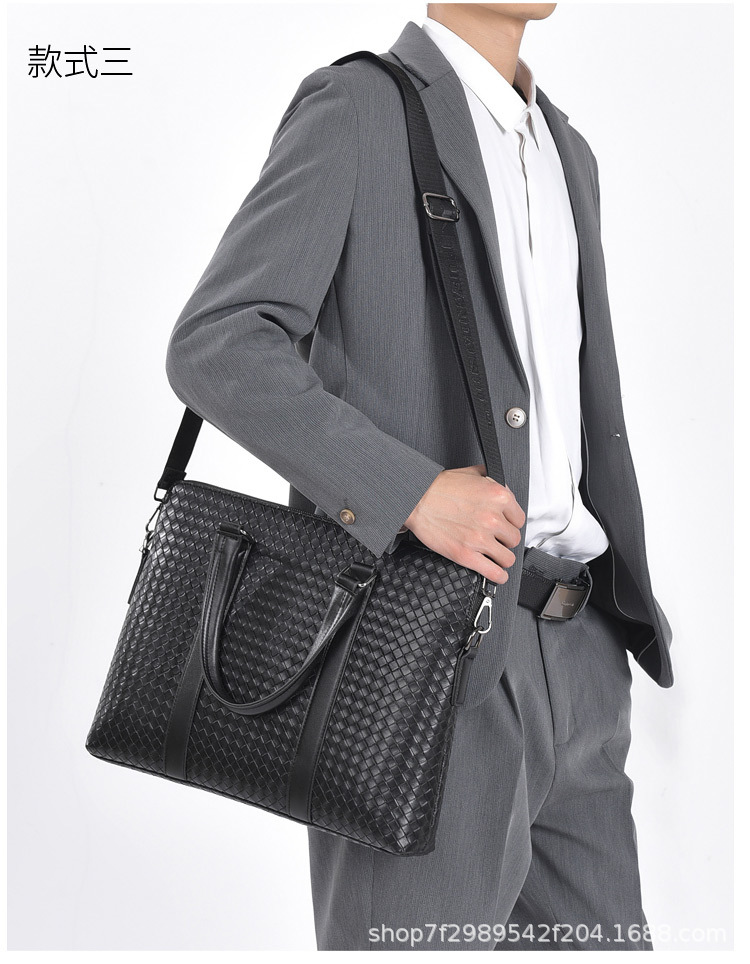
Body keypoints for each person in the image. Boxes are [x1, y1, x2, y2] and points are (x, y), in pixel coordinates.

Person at [165, 3, 674, 951]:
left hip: (580, 652)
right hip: (418, 652)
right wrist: (409, 492)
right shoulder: (357, 109)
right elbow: (219, 343)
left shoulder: (568, 151)